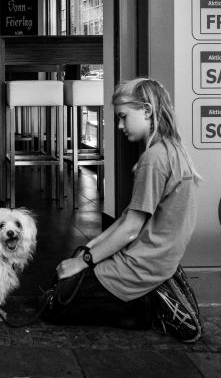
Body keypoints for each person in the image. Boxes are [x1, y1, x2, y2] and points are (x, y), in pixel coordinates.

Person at [43, 77, 203, 342]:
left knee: (53, 303)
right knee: (64, 281)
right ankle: (135, 304)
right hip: (157, 261)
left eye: (123, 116)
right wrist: (88, 251)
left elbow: (130, 230)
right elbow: (130, 217)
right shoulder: (173, 150)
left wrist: (82, 262)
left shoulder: (153, 160)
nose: (119, 125)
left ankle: (145, 302)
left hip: (140, 266)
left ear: (147, 111)